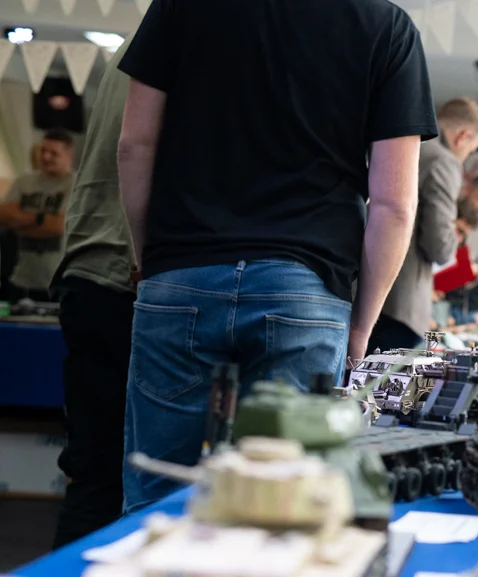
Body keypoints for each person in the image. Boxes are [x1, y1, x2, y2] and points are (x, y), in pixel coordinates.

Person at [117, 0, 438, 512]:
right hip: (306, 291)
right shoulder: (386, 26)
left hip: (181, 274)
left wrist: (149, 262)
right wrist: (361, 327)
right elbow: (394, 206)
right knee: (283, 503)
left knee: (159, 493)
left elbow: (134, 146)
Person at [50, 36, 138, 548]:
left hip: (92, 266)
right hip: (128, 275)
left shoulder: (135, 42)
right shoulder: (191, 33)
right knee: (132, 473)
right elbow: (137, 151)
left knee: (95, 468)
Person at [375, 98, 478, 352]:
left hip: (365, 289)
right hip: (401, 302)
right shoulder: (443, 161)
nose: (467, 156)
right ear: (463, 136)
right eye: (471, 149)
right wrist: (454, 238)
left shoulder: (403, 145)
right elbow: (439, 247)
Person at [0, 129, 75, 300]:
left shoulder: (74, 184)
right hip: (20, 280)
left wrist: (19, 224)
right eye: (43, 151)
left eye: (53, 153)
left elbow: (58, 227)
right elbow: (3, 216)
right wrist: (39, 219)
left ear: (69, 155)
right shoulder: (24, 181)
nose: (46, 157)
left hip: (58, 282)